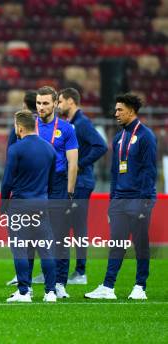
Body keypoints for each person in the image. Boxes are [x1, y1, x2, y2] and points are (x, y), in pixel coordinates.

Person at [86, 93, 157, 300]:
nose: (115, 113)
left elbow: (149, 172)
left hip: (139, 199)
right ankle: (108, 287)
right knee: (116, 244)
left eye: (120, 110)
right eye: (115, 110)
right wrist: (112, 203)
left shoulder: (146, 136)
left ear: (132, 111)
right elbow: (116, 173)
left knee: (141, 244)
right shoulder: (118, 138)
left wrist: (145, 203)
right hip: (120, 199)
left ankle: (140, 286)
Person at [1, 110, 57, 303]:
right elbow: (52, 181)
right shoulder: (49, 149)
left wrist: (3, 204)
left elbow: (7, 181)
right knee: (45, 249)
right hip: (41, 204)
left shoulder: (15, 149)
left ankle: (24, 292)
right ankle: (51, 292)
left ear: (20, 127)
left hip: (19, 204)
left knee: (20, 249)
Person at [30, 86, 78, 299]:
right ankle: (26, 285)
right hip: (35, 185)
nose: (41, 107)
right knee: (31, 237)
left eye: (45, 103)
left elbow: (73, 163)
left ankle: (59, 283)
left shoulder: (67, 129)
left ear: (56, 104)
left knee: (59, 237)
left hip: (58, 185)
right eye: (38, 103)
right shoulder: (29, 126)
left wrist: (69, 193)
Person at [58, 88, 108, 285]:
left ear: (71, 101)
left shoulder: (82, 123)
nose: (59, 105)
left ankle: (80, 272)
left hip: (82, 181)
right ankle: (76, 270)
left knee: (77, 226)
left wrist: (80, 164)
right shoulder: (73, 123)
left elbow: (101, 145)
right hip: (77, 181)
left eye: (61, 101)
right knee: (71, 225)